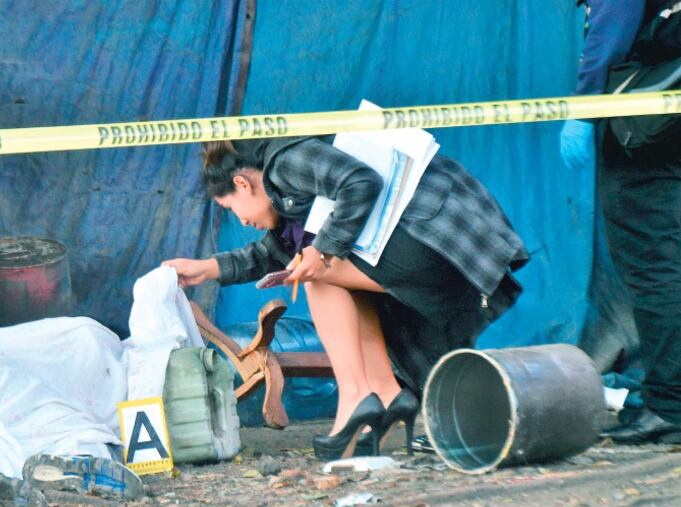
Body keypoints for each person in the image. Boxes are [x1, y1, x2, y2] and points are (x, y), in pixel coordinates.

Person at [164, 138, 528, 460]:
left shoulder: (284, 161)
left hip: (435, 238)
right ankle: (387, 394)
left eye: (231, 208)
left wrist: (322, 251)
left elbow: (360, 181)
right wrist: (207, 268)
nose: (242, 221)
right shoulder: (289, 204)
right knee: (320, 269)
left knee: (316, 272)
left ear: (242, 183)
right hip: (427, 253)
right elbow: (271, 252)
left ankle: (356, 395)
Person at [561, 0, 681, 444]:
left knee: (655, 266)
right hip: (665, 118)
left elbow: (609, 38)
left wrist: (582, 111)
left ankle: (669, 406)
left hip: (646, 130)